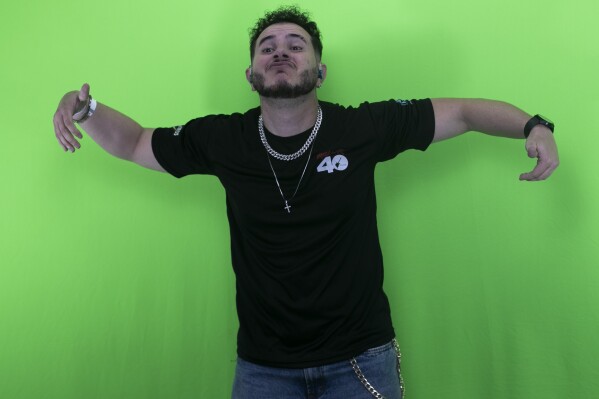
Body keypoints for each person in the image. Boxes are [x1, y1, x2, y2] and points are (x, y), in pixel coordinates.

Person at [52, 5, 559, 399]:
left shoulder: (362, 128)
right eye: (267, 46)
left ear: (319, 71)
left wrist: (534, 126)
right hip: (262, 369)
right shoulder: (223, 139)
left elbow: (466, 111)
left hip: (361, 361)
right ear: (250, 74)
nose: (280, 51)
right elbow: (136, 142)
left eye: (296, 45)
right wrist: (86, 108)